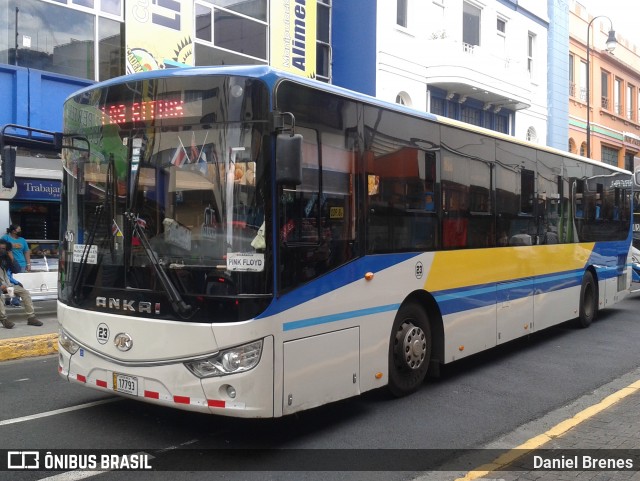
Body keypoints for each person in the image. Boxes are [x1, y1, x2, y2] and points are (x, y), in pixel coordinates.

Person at [0, 241, 41, 329]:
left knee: (25, 292)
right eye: (0, 248)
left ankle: (31, 318)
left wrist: (12, 258)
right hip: (1, 286)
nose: (1, 250)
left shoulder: (5, 259)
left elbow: (16, 269)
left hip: (8, 285)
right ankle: (4, 320)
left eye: (4, 249)